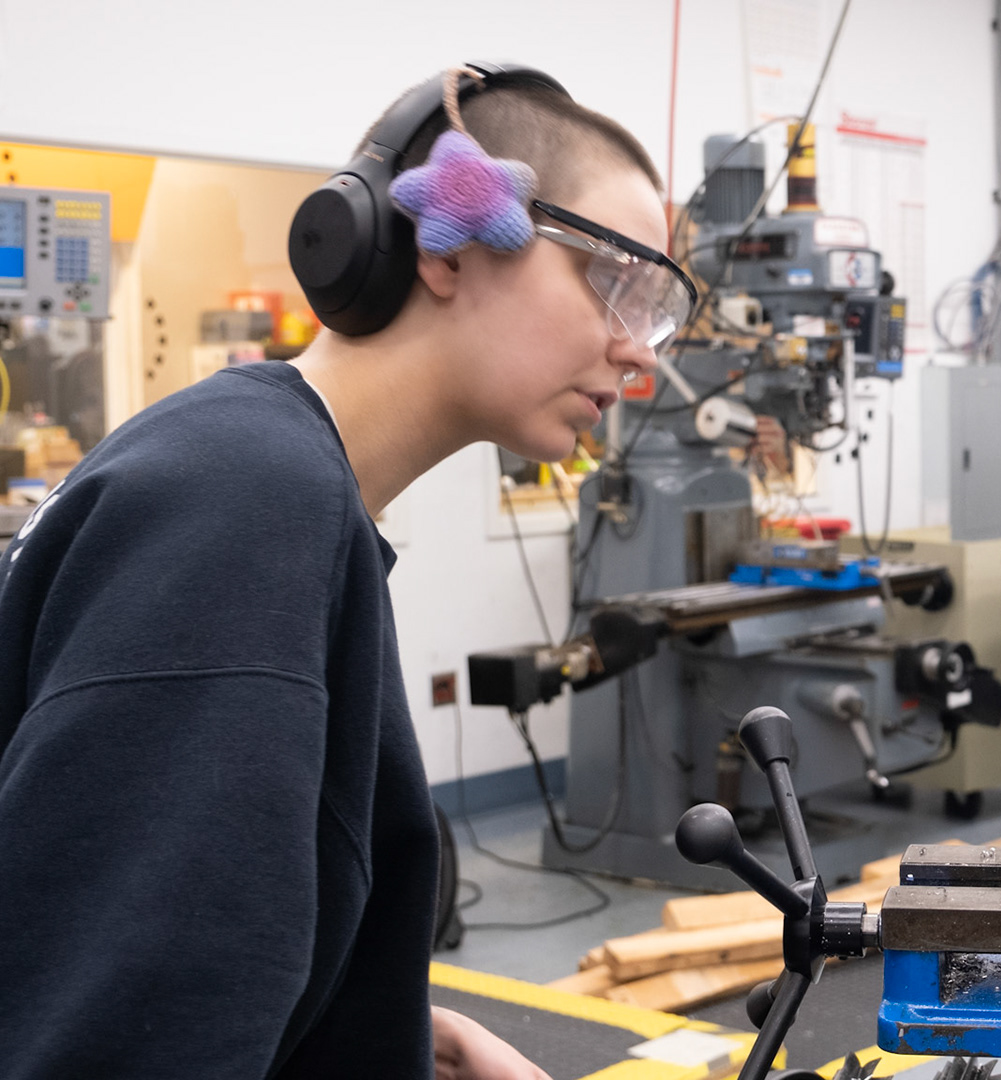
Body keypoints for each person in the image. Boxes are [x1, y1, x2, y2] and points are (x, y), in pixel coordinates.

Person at [0, 66, 690, 1078]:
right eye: (613, 282)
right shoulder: (249, 501)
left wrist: (390, 1034)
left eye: (656, 309)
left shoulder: (259, 471)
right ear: (447, 247)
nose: (638, 355)